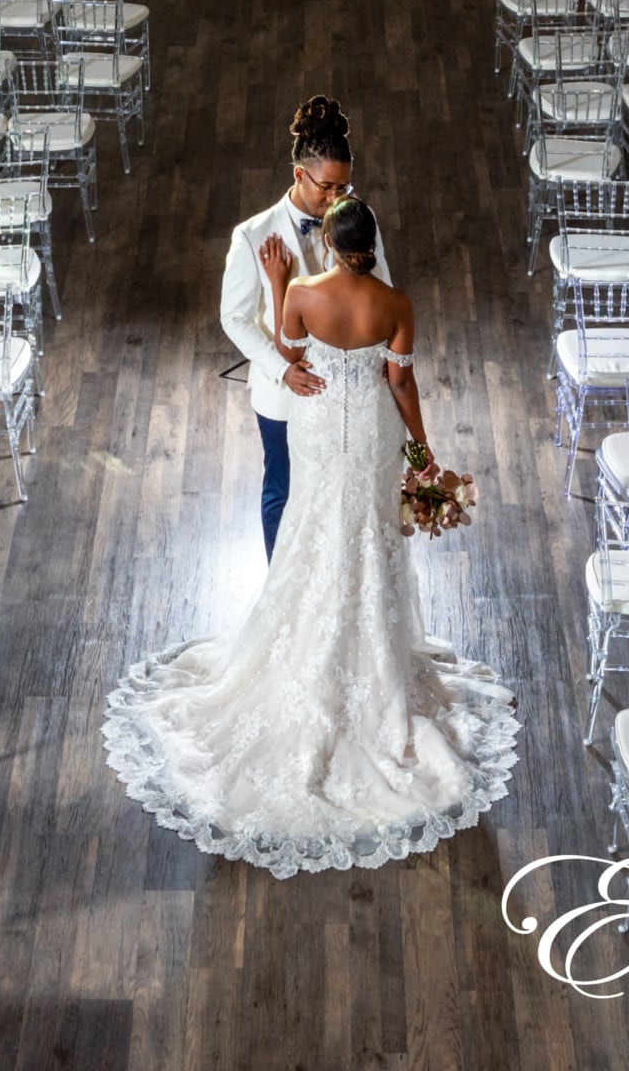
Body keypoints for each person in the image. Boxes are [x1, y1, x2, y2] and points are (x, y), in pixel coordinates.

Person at [103, 195, 519, 880]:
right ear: (372, 244)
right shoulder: (396, 302)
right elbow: (402, 382)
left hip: (321, 433)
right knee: (368, 543)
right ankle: (376, 671)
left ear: (328, 242)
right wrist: (422, 457)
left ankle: (306, 657)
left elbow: (290, 354)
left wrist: (275, 285)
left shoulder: (301, 289)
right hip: (376, 441)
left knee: (312, 531)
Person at [219, 95, 390, 559]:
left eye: (345, 187)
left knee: (338, 489)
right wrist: (281, 370)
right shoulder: (253, 235)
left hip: (347, 390)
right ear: (300, 175)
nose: (337, 198)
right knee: (282, 485)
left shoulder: (359, 219)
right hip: (283, 392)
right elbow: (233, 317)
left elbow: (383, 288)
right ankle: (280, 581)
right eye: (328, 187)